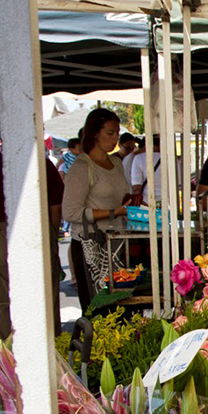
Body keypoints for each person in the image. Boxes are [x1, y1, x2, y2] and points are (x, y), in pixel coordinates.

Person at [0, 115, 64, 339]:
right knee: (44, 299)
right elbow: (55, 206)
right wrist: (51, 234)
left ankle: (11, 357)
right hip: (37, 229)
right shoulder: (41, 164)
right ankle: (51, 352)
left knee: (4, 301)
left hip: (1, 231)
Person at [63, 108, 131, 312]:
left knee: (120, 309)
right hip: (90, 247)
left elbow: (120, 197)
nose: (115, 138)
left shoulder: (116, 162)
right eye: (110, 133)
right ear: (94, 133)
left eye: (117, 132)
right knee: (98, 311)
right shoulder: (82, 167)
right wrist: (114, 212)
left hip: (117, 244)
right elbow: (71, 212)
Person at [130, 134, 162, 202]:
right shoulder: (172, 160)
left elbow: (136, 188)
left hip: (147, 202)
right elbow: (180, 183)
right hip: (169, 203)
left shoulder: (139, 158)